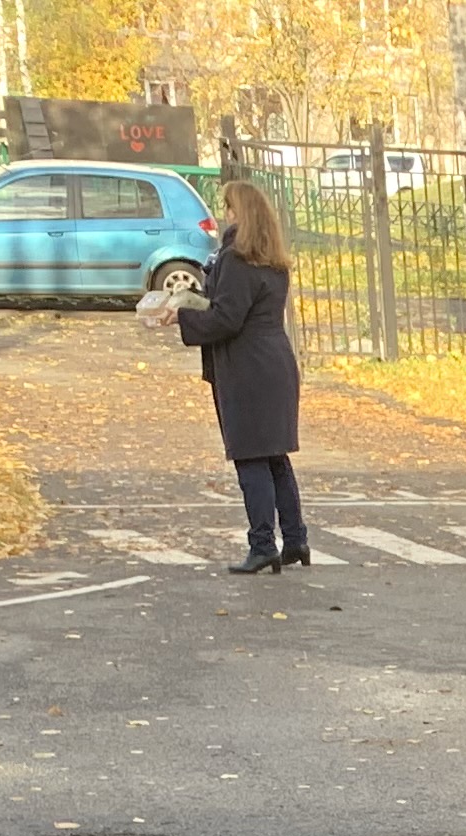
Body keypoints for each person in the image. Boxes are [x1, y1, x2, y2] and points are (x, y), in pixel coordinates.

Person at [153, 176, 305, 576]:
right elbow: (239, 309)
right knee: (274, 455)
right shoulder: (273, 261)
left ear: (241, 214)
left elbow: (227, 317)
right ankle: (295, 538)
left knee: (250, 456)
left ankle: (262, 544)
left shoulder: (236, 259)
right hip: (274, 362)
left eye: (228, 208)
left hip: (248, 367)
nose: (225, 215)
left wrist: (182, 316)